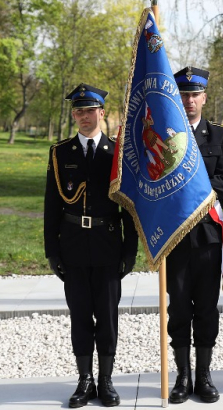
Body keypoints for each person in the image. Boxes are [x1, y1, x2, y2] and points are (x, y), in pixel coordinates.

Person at [43, 83, 138, 408]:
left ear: (102, 112)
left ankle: (106, 380)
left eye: (90, 110)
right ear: (74, 114)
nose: (85, 117)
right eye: (79, 111)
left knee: (108, 316)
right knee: (80, 315)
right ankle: (84, 380)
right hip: (72, 245)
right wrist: (52, 251)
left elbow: (129, 206)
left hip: (108, 244)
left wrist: (130, 250)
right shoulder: (60, 153)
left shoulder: (117, 153)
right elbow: (52, 205)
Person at [165, 67, 223, 404]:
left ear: (204, 98)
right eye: (183, 95)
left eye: (195, 95)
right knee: (178, 309)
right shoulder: (165, 135)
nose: (189, 100)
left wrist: (191, 193)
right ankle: (182, 376)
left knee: (206, 308)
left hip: (207, 236)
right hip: (175, 238)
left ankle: (204, 377)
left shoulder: (220, 136)